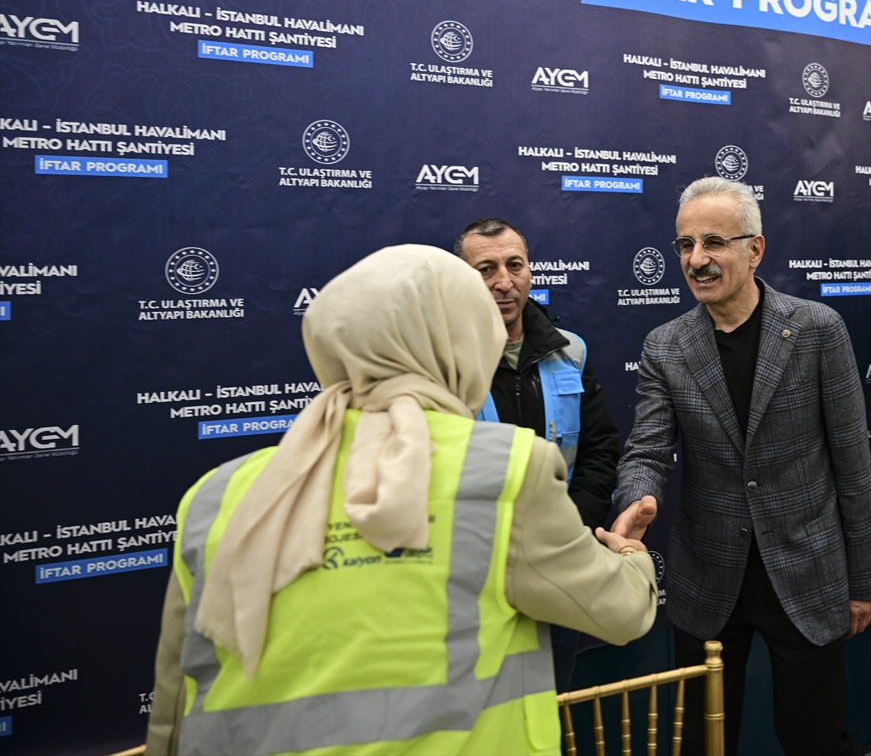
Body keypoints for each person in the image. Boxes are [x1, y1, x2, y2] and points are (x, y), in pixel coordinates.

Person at [145, 245, 657, 756]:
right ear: (465, 339)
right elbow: (619, 612)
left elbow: (173, 703)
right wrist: (630, 556)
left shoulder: (215, 495)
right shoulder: (506, 471)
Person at [611, 177, 871, 756]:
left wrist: (863, 579)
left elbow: (853, 465)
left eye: (713, 242)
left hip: (806, 573)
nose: (696, 260)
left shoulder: (817, 331)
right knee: (702, 743)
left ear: (754, 249)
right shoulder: (666, 345)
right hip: (708, 577)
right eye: (685, 245)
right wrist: (639, 497)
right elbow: (648, 447)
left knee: (816, 740)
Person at [456, 217, 621, 693]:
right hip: (475, 577)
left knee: (550, 708)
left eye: (515, 265)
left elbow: (599, 450)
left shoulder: (570, 351)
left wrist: (565, 528)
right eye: (486, 269)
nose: (504, 283)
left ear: (531, 271)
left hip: (557, 568)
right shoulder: (441, 361)